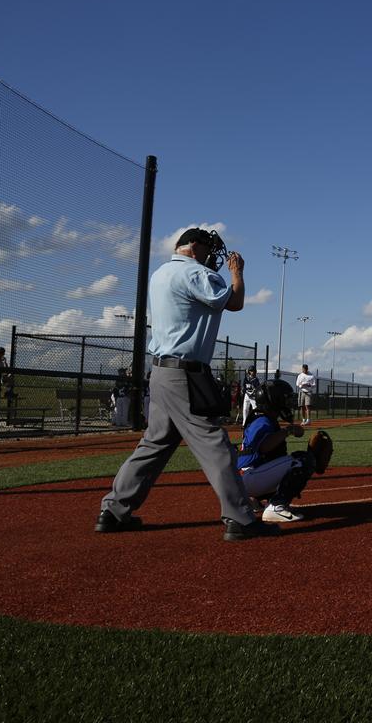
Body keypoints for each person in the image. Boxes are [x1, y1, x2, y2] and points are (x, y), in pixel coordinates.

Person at [96, 227, 279, 542]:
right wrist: (238, 274)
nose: (213, 258)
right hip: (184, 374)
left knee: (154, 444)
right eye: (209, 250)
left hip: (161, 372)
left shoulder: (161, 273)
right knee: (215, 444)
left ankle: (114, 510)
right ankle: (240, 518)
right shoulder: (193, 273)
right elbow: (234, 302)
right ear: (193, 247)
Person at [237, 378, 333, 522]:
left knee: (280, 458)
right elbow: (263, 447)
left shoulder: (261, 418)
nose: (287, 403)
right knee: (302, 460)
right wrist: (288, 430)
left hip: (245, 479)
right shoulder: (263, 420)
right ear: (273, 400)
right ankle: (276, 506)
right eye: (284, 398)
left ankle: (253, 500)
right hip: (249, 477)